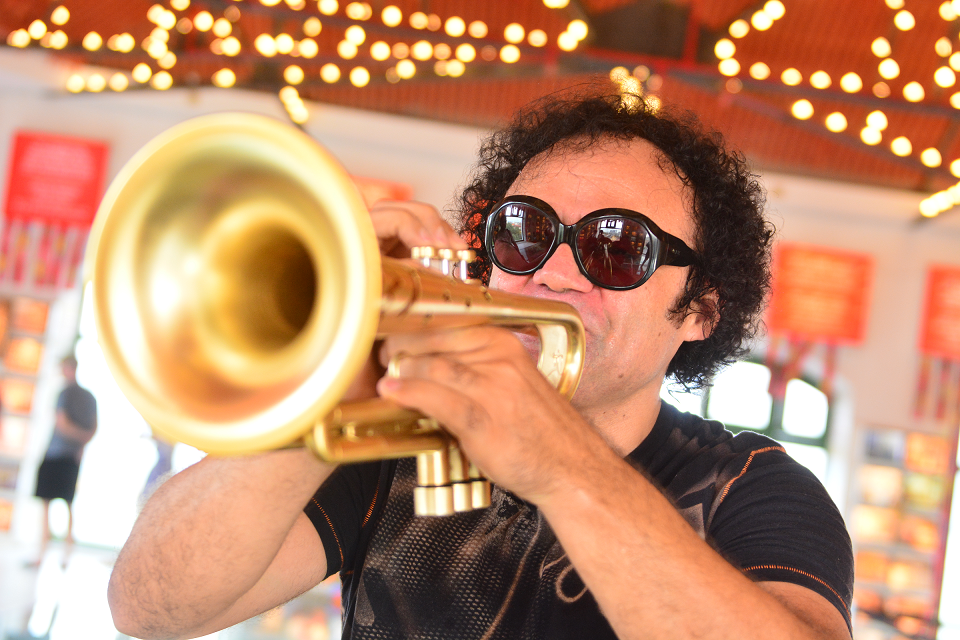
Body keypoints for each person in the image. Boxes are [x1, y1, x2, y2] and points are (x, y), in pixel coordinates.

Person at [107, 92, 853, 640]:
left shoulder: (753, 488)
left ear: (701, 311)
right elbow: (150, 606)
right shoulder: (395, 437)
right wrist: (336, 380)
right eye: (524, 231)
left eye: (617, 247)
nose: (554, 273)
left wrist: (560, 465)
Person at [32, 354, 97, 565]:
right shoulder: (89, 397)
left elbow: (62, 425)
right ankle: (64, 555)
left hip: (56, 454)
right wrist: (82, 440)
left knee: (48, 504)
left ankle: (43, 554)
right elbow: (92, 430)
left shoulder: (66, 393)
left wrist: (74, 436)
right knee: (68, 504)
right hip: (73, 457)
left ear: (69, 368)